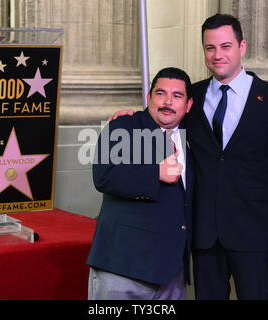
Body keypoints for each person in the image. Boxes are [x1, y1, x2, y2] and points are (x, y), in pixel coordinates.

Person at [108, 14, 268, 300]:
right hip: (204, 232)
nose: (217, 55)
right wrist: (132, 119)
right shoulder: (192, 97)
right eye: (210, 48)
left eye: (226, 46)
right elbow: (163, 116)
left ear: (242, 47)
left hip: (255, 232)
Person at [86, 67, 195, 300]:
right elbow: (105, 175)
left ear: (188, 105)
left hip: (171, 273)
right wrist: (156, 172)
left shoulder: (194, 138)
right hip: (122, 267)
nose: (167, 102)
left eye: (177, 96)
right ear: (148, 98)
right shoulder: (125, 127)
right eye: (160, 93)